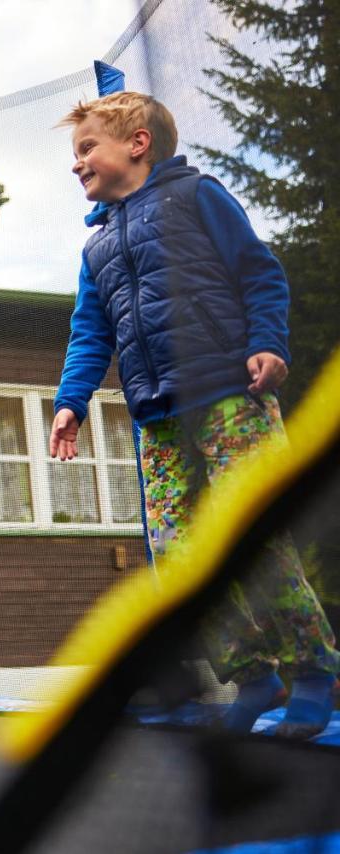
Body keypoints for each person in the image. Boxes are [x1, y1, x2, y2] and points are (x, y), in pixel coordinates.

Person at [48, 91, 338, 739]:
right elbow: (90, 333)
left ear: (137, 143)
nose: (77, 164)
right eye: (76, 154)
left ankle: (314, 669)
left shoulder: (196, 196)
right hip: (156, 412)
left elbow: (260, 274)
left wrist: (268, 342)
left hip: (229, 392)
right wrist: (71, 402)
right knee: (176, 555)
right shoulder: (94, 250)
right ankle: (253, 673)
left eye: (86, 147)